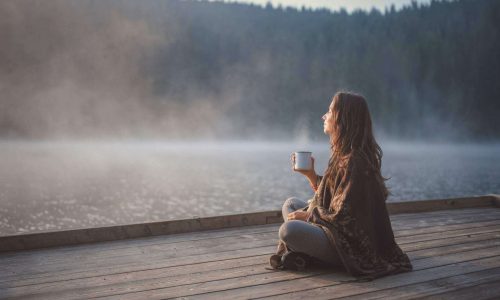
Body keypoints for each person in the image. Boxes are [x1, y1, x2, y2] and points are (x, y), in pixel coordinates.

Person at [270, 91, 413, 280]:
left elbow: (345, 217)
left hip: (352, 245)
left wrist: (308, 216)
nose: (324, 116)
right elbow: (335, 196)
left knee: (289, 230)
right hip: (334, 229)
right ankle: (306, 252)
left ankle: (309, 255)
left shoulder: (355, 161)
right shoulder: (344, 154)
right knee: (291, 204)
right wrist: (311, 175)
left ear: (342, 118)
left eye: (329, 111)